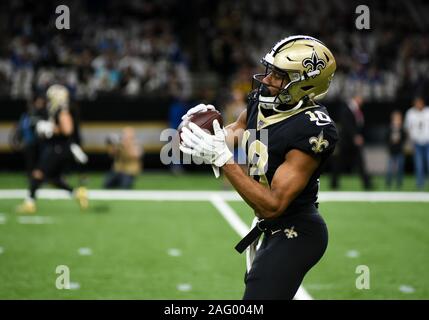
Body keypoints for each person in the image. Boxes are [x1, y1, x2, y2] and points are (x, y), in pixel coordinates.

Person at [180, 35, 338, 299]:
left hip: (298, 231)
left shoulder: (312, 128)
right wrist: (208, 135)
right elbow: (239, 128)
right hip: (271, 227)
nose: (266, 80)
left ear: (305, 83)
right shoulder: (264, 99)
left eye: (278, 75)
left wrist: (223, 159)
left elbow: (273, 204)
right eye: (270, 71)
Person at [16, 84, 88, 214]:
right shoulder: (57, 110)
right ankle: (76, 193)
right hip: (56, 147)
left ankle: (29, 203)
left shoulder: (62, 110)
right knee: (52, 178)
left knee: (38, 173)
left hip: (58, 148)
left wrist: (50, 128)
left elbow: (67, 130)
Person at [330, 95, 372, 190]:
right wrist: (355, 136)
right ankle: (334, 183)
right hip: (346, 141)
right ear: (356, 98)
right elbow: (347, 125)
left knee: (360, 162)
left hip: (352, 142)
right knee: (339, 163)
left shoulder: (356, 110)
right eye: (360, 98)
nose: (362, 101)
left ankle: (367, 183)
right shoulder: (347, 109)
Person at [404, 97, 429, 189]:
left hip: (427, 141)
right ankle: (420, 184)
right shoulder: (410, 113)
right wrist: (410, 141)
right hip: (417, 142)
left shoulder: (427, 112)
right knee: (419, 164)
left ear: (423, 103)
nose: (418, 105)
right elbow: (407, 127)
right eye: (416, 103)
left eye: (420, 103)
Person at [385, 110, 406, 189]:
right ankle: (388, 182)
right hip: (391, 151)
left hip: (399, 151)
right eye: (395, 119)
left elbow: (404, 138)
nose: (397, 121)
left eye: (399, 119)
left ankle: (399, 183)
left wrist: (399, 140)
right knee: (390, 168)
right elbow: (386, 139)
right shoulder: (389, 129)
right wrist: (391, 142)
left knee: (400, 168)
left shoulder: (402, 129)